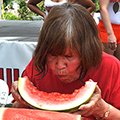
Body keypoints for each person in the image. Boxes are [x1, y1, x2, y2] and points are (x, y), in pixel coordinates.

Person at [11, 2, 120, 120]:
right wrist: (21, 100)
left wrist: (103, 109)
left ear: (87, 51)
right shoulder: (39, 65)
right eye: (52, 55)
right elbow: (16, 110)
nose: (59, 66)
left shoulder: (111, 68)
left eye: (69, 56)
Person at [27, 0, 96, 20]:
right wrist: (44, 15)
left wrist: (77, 17)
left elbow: (91, 6)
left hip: (68, 28)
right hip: (49, 27)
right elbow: (30, 4)